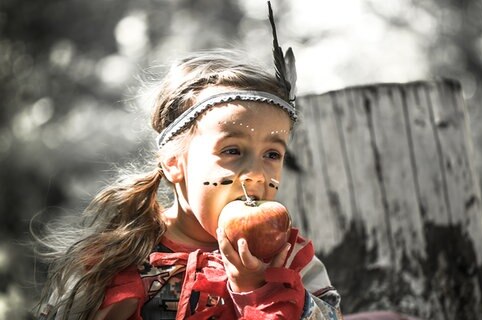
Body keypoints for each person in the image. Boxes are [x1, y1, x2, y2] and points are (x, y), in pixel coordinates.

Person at [35, 3, 342, 320]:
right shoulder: (115, 260)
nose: (257, 175)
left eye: (272, 154)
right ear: (173, 163)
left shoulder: (289, 260)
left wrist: (262, 291)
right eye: (233, 151)